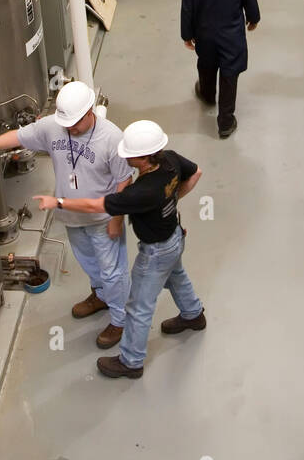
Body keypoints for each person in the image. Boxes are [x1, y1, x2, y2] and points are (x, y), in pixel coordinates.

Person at [0, 81, 133, 349]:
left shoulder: (112, 138)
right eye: (67, 124)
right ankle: (100, 296)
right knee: (89, 263)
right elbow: (20, 136)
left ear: (90, 112)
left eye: (75, 123)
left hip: (102, 220)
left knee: (113, 272)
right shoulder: (54, 126)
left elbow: (124, 182)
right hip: (71, 217)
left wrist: (117, 220)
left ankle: (120, 320)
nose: (70, 128)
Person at [63, 120, 205, 380]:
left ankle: (131, 361)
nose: (123, 156)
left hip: (156, 252)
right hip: (174, 236)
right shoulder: (171, 160)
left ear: (143, 158)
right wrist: (170, 201)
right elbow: (196, 173)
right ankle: (193, 315)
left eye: (129, 154)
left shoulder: (142, 192)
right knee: (176, 277)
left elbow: (98, 206)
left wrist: (58, 201)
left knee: (139, 306)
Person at [181, 0, 260, 139]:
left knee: (206, 65)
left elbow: (187, 7)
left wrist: (187, 35)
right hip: (231, 36)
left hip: (204, 35)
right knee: (229, 73)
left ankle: (207, 94)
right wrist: (253, 19)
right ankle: (225, 122)